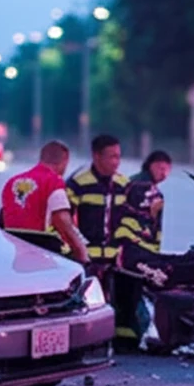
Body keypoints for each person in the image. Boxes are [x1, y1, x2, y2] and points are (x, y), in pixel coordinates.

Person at [65, 135, 134, 348]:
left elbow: (129, 219)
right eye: (111, 156)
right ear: (96, 156)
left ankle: (122, 341)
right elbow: (66, 221)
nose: (116, 162)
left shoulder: (123, 184)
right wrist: (78, 251)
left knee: (123, 297)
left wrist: (122, 247)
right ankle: (87, 344)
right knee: (87, 304)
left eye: (118, 157)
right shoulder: (78, 183)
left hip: (115, 257)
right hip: (86, 258)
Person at [111, 150, 173, 349]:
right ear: (150, 165)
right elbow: (143, 223)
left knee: (124, 296)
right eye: (160, 168)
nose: (163, 173)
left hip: (131, 252)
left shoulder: (135, 183)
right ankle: (127, 340)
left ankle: (123, 337)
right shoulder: (145, 189)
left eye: (167, 169)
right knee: (130, 296)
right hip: (136, 254)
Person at [0, 140, 89, 264]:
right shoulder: (53, 183)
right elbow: (64, 225)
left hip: (15, 258)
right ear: (65, 161)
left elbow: (3, 220)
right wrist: (82, 254)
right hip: (41, 258)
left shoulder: (11, 183)